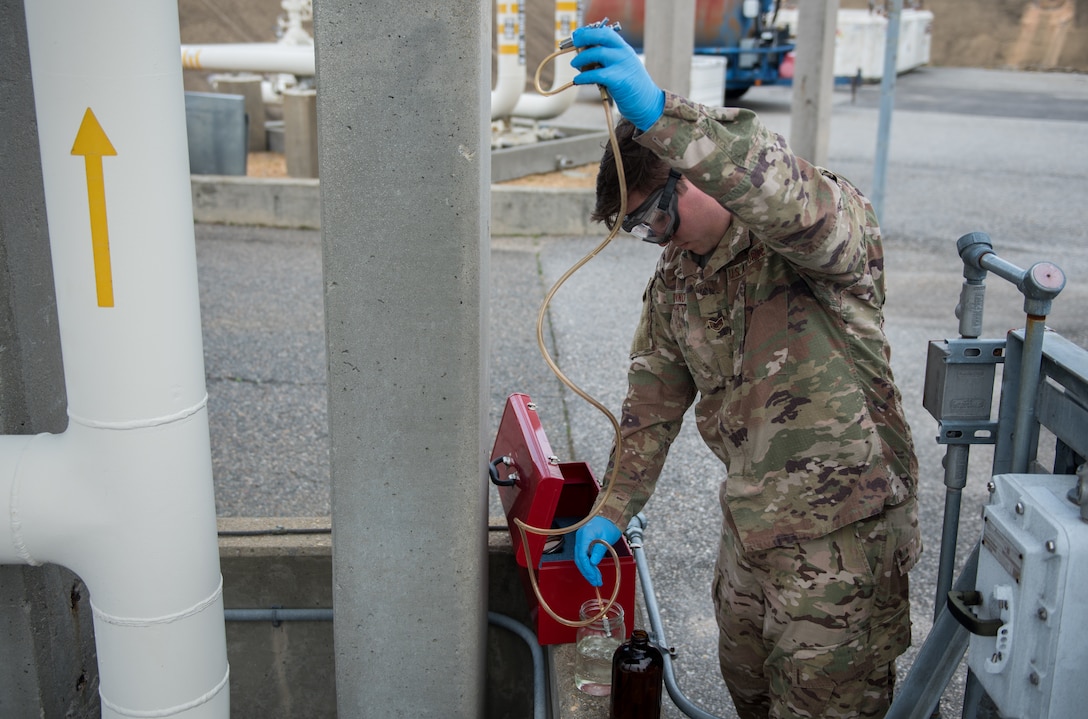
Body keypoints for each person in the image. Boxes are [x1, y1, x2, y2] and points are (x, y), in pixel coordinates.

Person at [566, 25, 922, 719]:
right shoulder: (679, 278)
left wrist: (661, 115)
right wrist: (611, 509)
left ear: (696, 171)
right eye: (642, 229)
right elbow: (652, 403)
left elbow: (778, 189)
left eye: (659, 214)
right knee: (750, 693)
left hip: (843, 542)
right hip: (752, 531)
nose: (659, 236)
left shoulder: (810, 238)